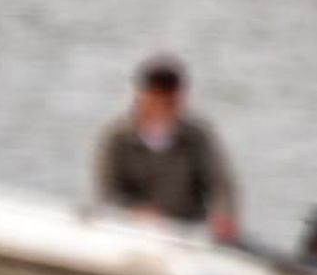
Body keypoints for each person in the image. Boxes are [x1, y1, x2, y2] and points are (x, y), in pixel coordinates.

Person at [95, 56, 239, 240]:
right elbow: (107, 193)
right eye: (156, 98)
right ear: (141, 98)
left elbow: (221, 184)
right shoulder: (117, 138)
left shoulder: (198, 137)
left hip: (187, 232)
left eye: (170, 101)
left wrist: (224, 215)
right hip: (131, 231)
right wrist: (136, 213)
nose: (162, 107)